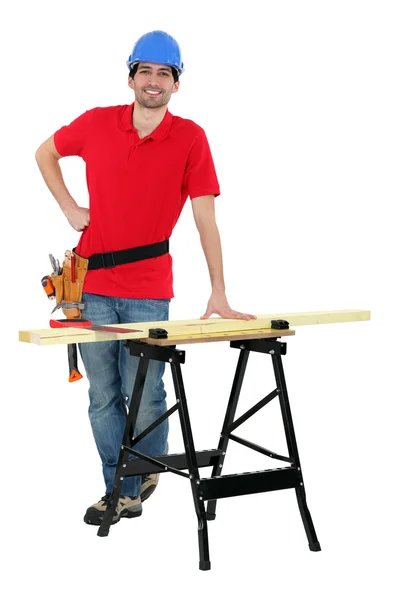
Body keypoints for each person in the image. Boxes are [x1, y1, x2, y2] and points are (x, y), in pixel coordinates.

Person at [35, 30, 256, 526]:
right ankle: (122, 488)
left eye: (164, 74)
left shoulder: (190, 138)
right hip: (90, 286)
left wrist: (218, 290)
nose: (153, 81)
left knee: (148, 389)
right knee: (103, 394)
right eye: (145, 71)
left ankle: (148, 463)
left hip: (149, 289)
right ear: (130, 76)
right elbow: (44, 153)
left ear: (176, 84)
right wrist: (70, 207)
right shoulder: (95, 123)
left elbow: (205, 219)